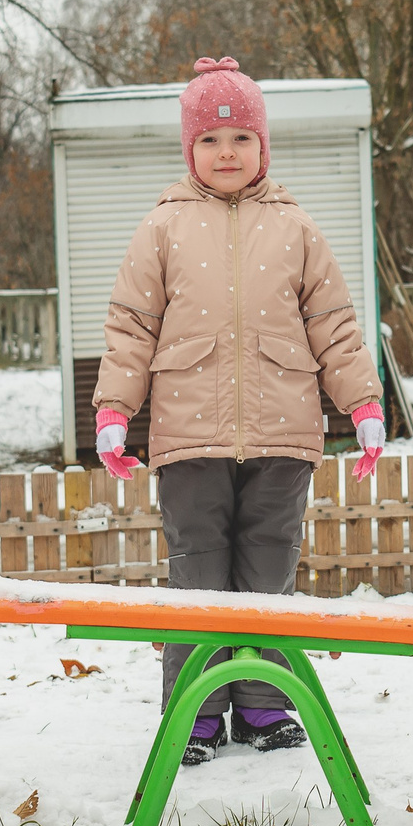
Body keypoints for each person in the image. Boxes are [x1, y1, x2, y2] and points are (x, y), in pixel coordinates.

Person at [92, 58, 385, 766]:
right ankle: (193, 714)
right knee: (198, 575)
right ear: (189, 149)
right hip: (190, 433)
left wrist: (363, 400)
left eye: (241, 139)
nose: (227, 153)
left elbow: (335, 323)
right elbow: (131, 326)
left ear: (263, 147)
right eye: (211, 140)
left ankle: (260, 705)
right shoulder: (162, 228)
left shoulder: (297, 227)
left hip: (283, 429)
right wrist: (113, 409)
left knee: (268, 570)